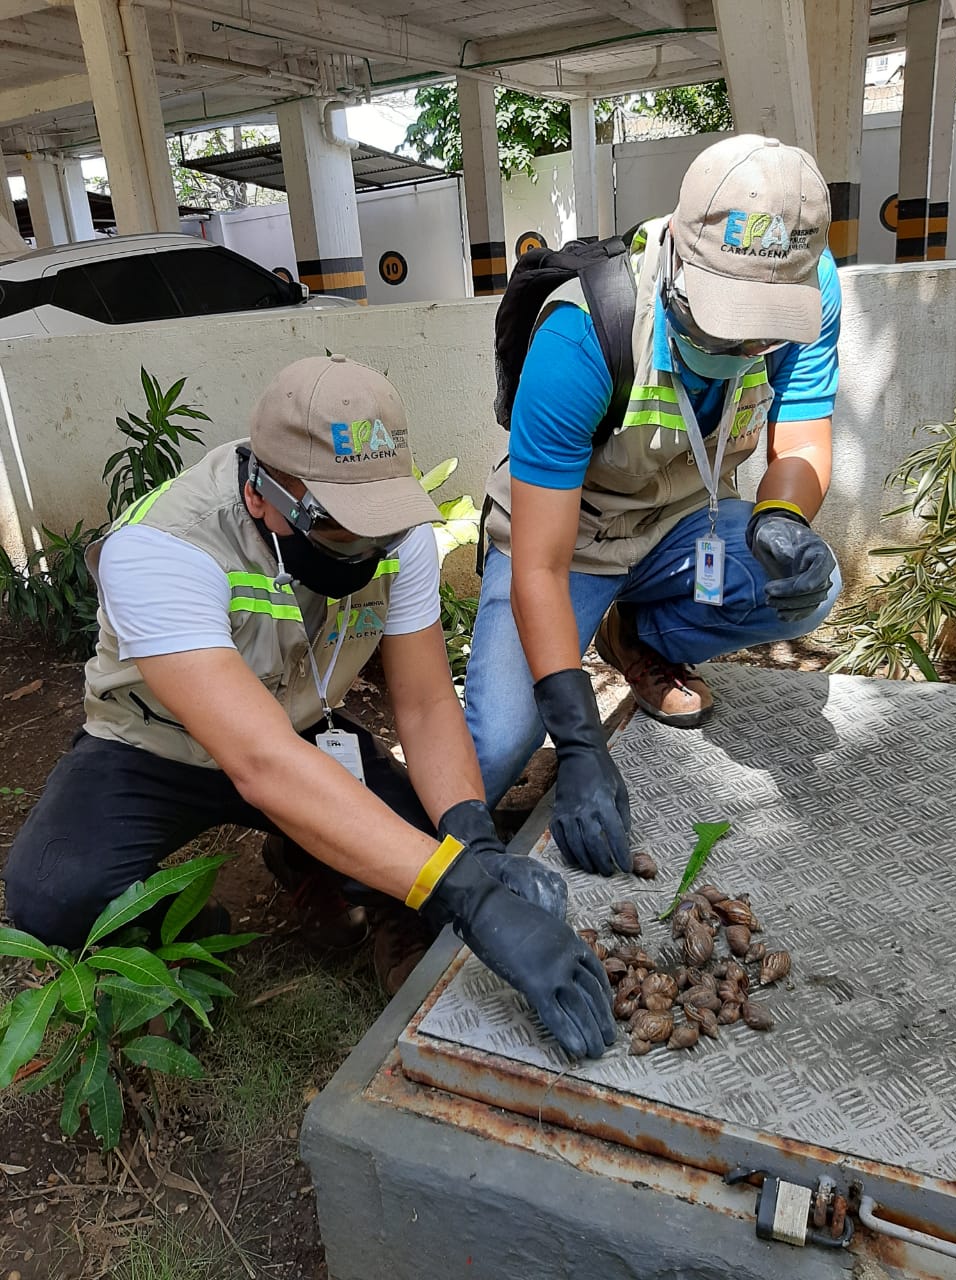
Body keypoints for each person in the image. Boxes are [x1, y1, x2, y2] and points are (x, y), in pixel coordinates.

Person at [2, 355, 615, 1061]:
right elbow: (260, 761)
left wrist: (473, 847)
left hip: (301, 727)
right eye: (335, 526)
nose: (363, 545)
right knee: (53, 890)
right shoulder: (163, 550)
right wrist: (471, 896)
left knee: (431, 836)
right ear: (262, 495)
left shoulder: (398, 526)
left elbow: (420, 702)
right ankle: (177, 926)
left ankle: (317, 863)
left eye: (376, 525)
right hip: (153, 746)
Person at [465, 134, 843, 876]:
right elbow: (538, 565)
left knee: (810, 583)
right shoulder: (582, 334)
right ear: (677, 255)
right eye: (724, 318)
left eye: (764, 326)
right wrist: (576, 743)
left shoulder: (812, 287)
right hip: (568, 542)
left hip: (682, 526)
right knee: (499, 744)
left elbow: (802, 433)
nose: (744, 347)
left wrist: (783, 520)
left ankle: (637, 637)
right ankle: (393, 873)